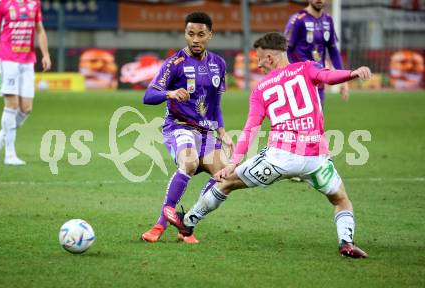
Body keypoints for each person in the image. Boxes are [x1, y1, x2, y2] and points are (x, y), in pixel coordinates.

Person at [164, 32, 370, 258]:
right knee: (341, 199)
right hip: (315, 159)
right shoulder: (307, 68)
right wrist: (352, 73)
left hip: (279, 157)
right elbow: (328, 77)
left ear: (270, 58)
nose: (258, 63)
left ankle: (189, 222)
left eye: (259, 58)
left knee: (226, 183)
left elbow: (251, 129)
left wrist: (233, 163)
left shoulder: (261, 89)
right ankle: (346, 243)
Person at [141, 12, 233, 244]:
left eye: (201, 35)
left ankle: (187, 223)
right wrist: (169, 93)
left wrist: (222, 131)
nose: (195, 39)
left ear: (210, 35)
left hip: (205, 132)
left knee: (224, 176)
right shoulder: (174, 63)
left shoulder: (219, 64)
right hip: (179, 127)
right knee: (189, 163)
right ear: (185, 34)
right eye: (190, 34)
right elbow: (148, 95)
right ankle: (159, 225)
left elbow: (216, 105)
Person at [0, 0, 51, 165]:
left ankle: (0, 137)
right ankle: (9, 154)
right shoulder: (1, 3)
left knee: (26, 108)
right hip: (7, 60)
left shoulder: (34, 3)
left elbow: (40, 30)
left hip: (27, 61)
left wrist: (45, 54)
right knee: (11, 106)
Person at [285, 0, 349, 106]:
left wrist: (343, 79)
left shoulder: (328, 20)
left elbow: (333, 51)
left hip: (318, 81)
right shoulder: (298, 19)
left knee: (318, 120)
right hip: (299, 82)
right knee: (301, 121)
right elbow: (287, 49)